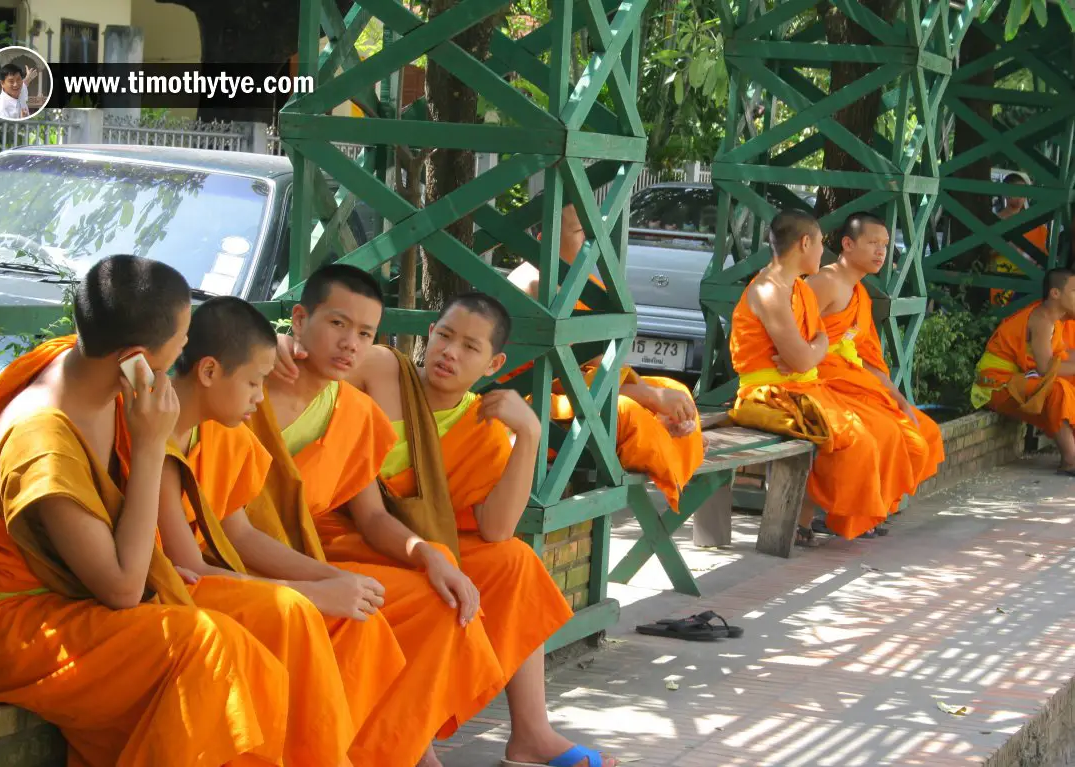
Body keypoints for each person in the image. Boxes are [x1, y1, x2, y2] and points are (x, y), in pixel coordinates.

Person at [0, 255, 330, 766]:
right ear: (135, 356)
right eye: (181, 342)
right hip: (15, 628)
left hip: (87, 595)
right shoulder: (42, 439)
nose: (186, 351)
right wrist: (150, 448)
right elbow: (122, 589)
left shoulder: (90, 370)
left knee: (284, 617)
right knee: (208, 649)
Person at [252, 265, 509, 766]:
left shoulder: (352, 408)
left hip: (302, 553)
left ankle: (395, 750)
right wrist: (330, 578)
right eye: (338, 325)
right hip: (244, 556)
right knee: (360, 615)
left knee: (441, 605)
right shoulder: (250, 385)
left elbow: (371, 516)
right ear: (299, 320)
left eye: (365, 333)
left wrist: (426, 555)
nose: (351, 343)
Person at [347, 292, 616, 767]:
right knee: (438, 589)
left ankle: (531, 735)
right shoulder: (379, 368)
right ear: (429, 335)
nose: (450, 352)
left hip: (416, 543)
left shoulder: (481, 424)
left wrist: (528, 435)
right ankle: (413, 747)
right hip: (350, 531)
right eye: (445, 336)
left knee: (513, 562)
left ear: (494, 363)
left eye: (470, 347)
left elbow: (496, 529)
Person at [155, 295, 416, 764]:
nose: (260, 398)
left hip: (216, 573)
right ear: (210, 372)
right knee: (294, 611)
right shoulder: (158, 430)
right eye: (255, 382)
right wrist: (308, 592)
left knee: (359, 622)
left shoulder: (222, 430)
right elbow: (186, 567)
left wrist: (327, 578)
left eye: (365, 334)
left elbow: (242, 535)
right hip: (175, 584)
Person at [505, 203, 703, 512]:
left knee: (675, 391)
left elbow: (600, 365)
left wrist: (657, 403)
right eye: (581, 233)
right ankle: (662, 451)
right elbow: (560, 377)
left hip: (582, 389)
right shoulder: (533, 284)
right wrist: (646, 398)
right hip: (536, 398)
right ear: (545, 240)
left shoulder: (583, 285)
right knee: (624, 410)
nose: (592, 242)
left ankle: (667, 434)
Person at [728, 209, 899, 543]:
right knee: (855, 439)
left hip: (800, 387)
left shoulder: (798, 289)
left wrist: (813, 349)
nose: (824, 251)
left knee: (869, 431)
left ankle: (810, 521)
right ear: (805, 243)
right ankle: (805, 522)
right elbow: (804, 356)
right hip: (768, 392)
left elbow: (809, 352)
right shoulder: (769, 290)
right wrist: (814, 349)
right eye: (821, 243)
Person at [806, 212, 945, 498]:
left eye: (885, 244)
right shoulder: (825, 282)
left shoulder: (860, 295)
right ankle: (843, 510)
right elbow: (795, 339)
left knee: (925, 430)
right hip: (821, 382)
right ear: (847, 244)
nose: (881, 251)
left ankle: (874, 506)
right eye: (872, 243)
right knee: (885, 433)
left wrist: (901, 401)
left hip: (850, 380)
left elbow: (867, 358)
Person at [972, 268, 1075, 475]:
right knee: (1057, 390)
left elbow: (1064, 358)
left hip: (1019, 379)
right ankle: (1070, 460)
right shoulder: (1042, 320)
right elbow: (1046, 368)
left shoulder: (1058, 322)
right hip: (995, 384)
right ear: (1055, 293)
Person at [991, 172, 1050, 306]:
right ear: (1005, 193)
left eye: (1024, 193)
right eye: (1016, 192)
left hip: (1028, 277)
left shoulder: (1034, 224)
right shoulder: (995, 222)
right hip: (1003, 276)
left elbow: (1043, 252)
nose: (1020, 197)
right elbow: (985, 251)